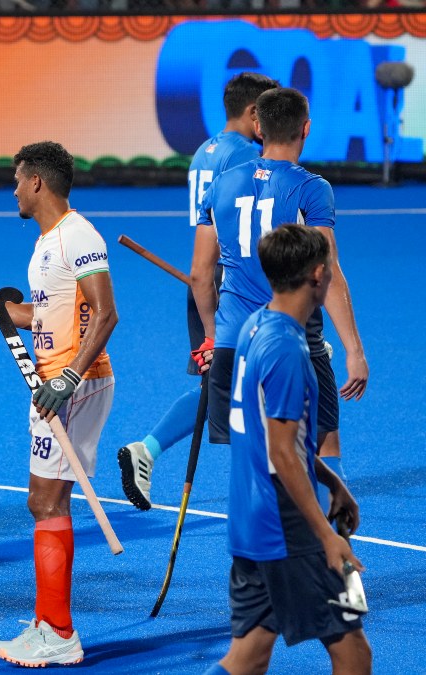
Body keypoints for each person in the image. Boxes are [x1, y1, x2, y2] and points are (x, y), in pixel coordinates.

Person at [0, 142, 117, 667]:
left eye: (18, 180)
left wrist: (67, 378)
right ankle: (51, 624)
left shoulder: (77, 237)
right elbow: (35, 316)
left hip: (71, 385)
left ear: (38, 183)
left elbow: (106, 312)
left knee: (45, 503)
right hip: (60, 385)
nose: (15, 190)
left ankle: (58, 632)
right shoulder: (49, 242)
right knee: (48, 503)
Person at [189, 87, 368, 514]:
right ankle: (333, 552)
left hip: (233, 341)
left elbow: (200, 275)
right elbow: (328, 272)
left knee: (249, 450)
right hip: (292, 337)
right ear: (306, 128)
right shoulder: (311, 189)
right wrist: (354, 350)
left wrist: (212, 337)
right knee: (323, 439)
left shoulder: (222, 184)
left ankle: (257, 556)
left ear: (258, 127)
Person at [202, 223, 369, 675]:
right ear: (318, 274)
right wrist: (325, 536)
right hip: (286, 527)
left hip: (250, 518)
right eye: (331, 268)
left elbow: (271, 436)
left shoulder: (257, 326)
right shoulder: (288, 349)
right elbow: (281, 452)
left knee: (249, 655)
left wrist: (331, 480)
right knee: (354, 651)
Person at [119, 72, 279, 511]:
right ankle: (263, 491)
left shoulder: (203, 153)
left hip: (205, 285)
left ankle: (147, 450)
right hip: (236, 290)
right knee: (251, 388)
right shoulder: (248, 156)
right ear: (253, 113)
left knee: (218, 387)